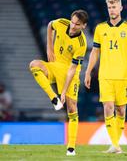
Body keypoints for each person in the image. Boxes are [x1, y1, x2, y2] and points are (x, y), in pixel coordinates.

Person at [84, 0, 127, 153]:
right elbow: (95, 52)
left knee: (121, 110)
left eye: (114, 7)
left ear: (120, 8)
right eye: (109, 7)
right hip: (105, 75)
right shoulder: (100, 28)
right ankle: (115, 144)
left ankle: (116, 143)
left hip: (122, 76)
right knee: (108, 107)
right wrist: (88, 72)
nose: (112, 10)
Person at [29, 10, 88, 156]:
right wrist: (49, 47)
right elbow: (50, 25)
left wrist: (63, 91)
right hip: (55, 65)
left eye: (77, 24)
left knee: (72, 108)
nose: (73, 26)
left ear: (84, 26)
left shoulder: (81, 44)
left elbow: (72, 70)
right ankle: (53, 99)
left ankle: (71, 147)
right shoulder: (62, 23)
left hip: (70, 73)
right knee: (34, 64)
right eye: (72, 22)